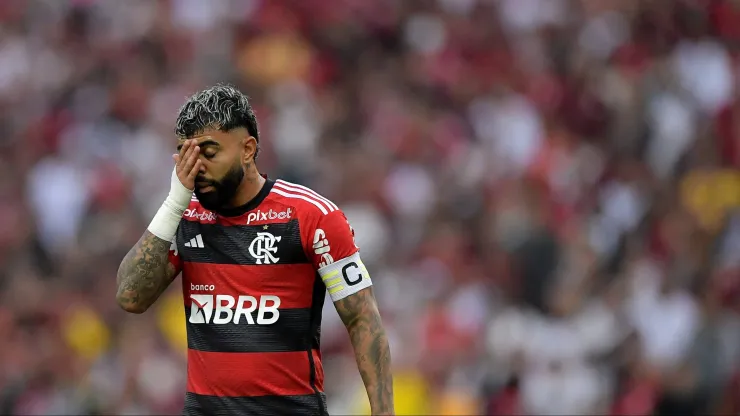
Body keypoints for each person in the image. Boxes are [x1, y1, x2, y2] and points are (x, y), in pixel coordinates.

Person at [115, 84, 395, 416]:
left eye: (209, 151)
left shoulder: (311, 216)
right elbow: (130, 296)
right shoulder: (184, 217)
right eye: (185, 153)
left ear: (248, 149)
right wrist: (175, 201)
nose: (196, 167)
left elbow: (362, 317)